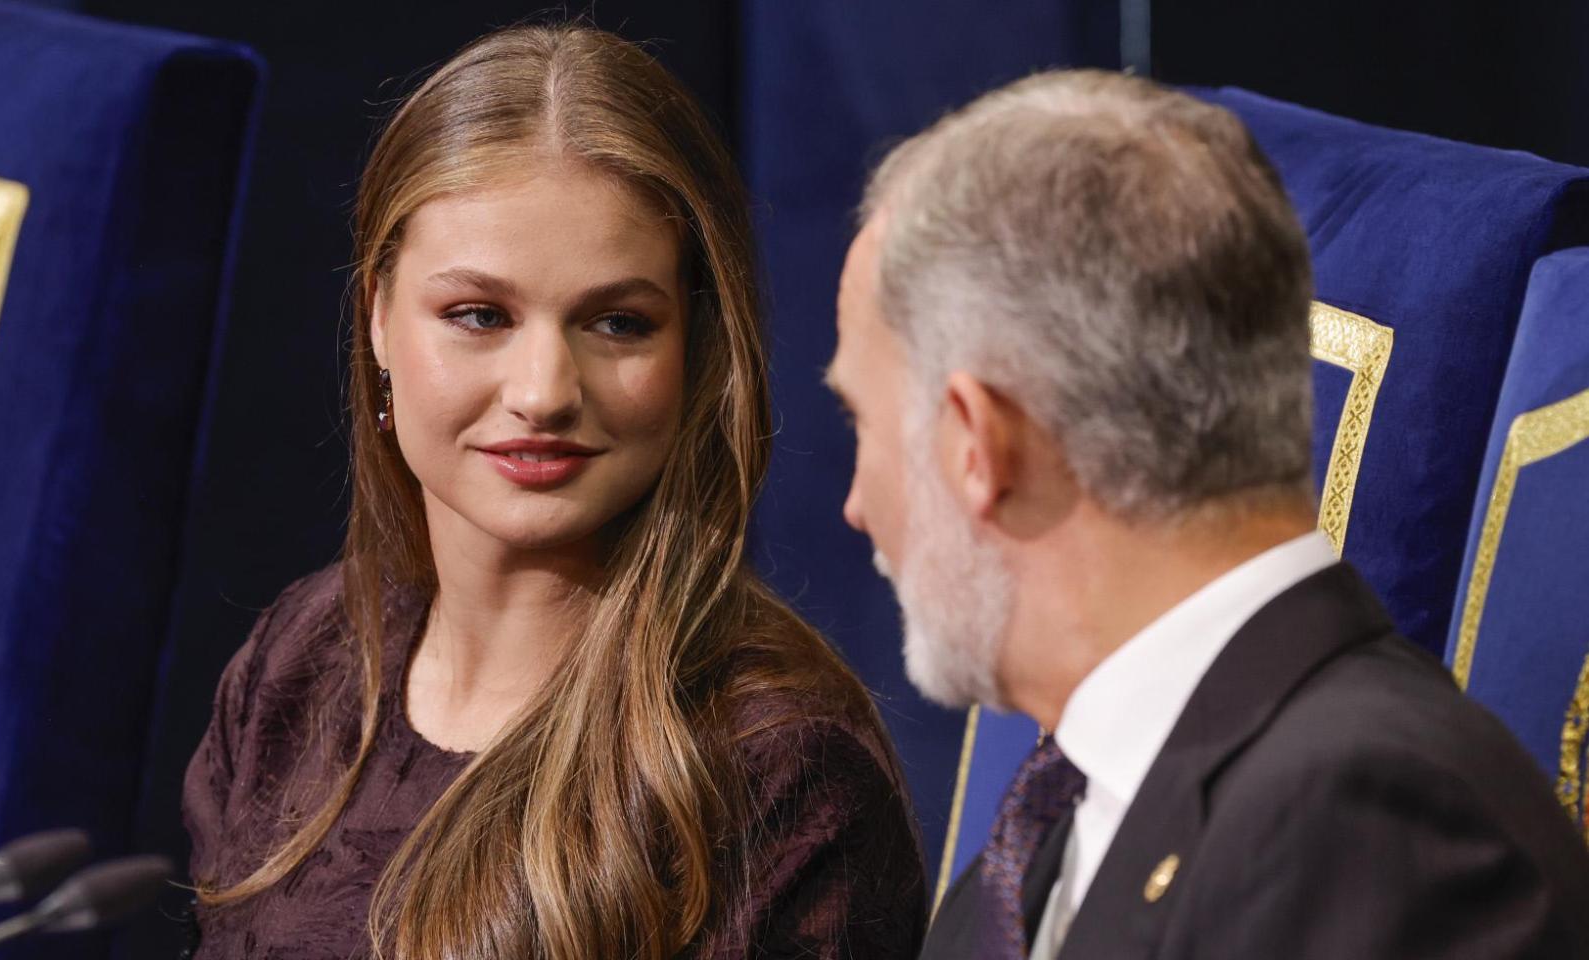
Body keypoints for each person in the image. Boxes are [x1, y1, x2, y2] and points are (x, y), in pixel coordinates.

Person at [183, 24, 926, 960]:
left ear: (695, 347)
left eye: (617, 323)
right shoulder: (301, 661)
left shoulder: (779, 772)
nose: (542, 391)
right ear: (377, 317)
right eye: (479, 316)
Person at [826, 69, 1589, 960]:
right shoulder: (1056, 816)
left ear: (977, 445)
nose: (853, 507)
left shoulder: (1377, 833)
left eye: (863, 422)